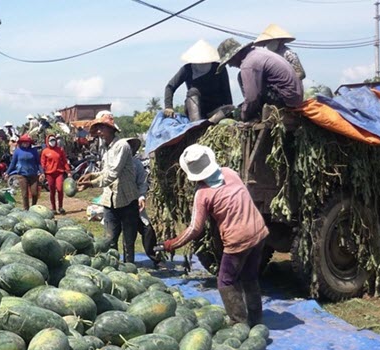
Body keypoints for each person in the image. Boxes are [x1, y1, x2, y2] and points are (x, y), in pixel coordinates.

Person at [154, 144, 268, 326]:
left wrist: (171, 244)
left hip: (238, 240)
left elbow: (194, 229)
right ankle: (256, 319)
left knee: (225, 281)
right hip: (259, 231)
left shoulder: (203, 193)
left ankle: (238, 323)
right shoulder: (229, 172)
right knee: (249, 276)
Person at [77, 112, 139, 263]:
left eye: (102, 128)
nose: (99, 132)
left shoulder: (122, 146)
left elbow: (113, 174)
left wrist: (91, 184)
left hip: (127, 200)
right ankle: (114, 267)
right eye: (97, 129)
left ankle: (130, 269)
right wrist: (92, 176)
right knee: (110, 239)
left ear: (111, 129)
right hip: (110, 201)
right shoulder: (105, 148)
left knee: (128, 242)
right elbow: (106, 171)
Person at [217, 38, 303, 122]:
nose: (230, 65)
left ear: (235, 55)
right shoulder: (258, 53)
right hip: (295, 97)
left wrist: (244, 116)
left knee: (242, 110)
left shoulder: (248, 64)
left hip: (286, 101)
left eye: (229, 62)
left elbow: (252, 98)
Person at [164, 39, 233, 121]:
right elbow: (170, 87)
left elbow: (226, 93)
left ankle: (210, 121)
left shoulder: (219, 69)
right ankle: (197, 124)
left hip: (215, 110)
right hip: (194, 109)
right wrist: (168, 107)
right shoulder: (187, 69)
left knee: (230, 108)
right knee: (193, 91)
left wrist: (229, 111)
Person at [127, 138, 161, 267]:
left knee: (147, 229)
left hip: (134, 202)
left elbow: (142, 182)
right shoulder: (113, 163)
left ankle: (155, 257)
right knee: (124, 233)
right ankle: (125, 263)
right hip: (118, 204)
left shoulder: (136, 164)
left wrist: (141, 197)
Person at [6, 134, 42, 210]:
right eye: (24, 142)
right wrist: (7, 172)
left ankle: (33, 207)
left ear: (30, 143)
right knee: (25, 194)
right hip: (22, 175)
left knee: (35, 193)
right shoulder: (17, 151)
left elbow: (38, 163)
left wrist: (42, 172)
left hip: (33, 174)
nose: (26, 143)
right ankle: (26, 209)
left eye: (27, 142)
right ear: (21, 143)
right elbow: (13, 163)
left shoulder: (34, 151)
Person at [41, 134, 71, 215]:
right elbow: (43, 163)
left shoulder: (60, 150)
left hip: (59, 172)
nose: (52, 142)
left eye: (54, 140)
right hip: (49, 173)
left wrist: (68, 171)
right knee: (52, 191)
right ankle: (53, 208)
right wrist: (42, 173)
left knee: (60, 189)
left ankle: (60, 207)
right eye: (51, 140)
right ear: (47, 141)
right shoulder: (45, 151)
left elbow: (64, 161)